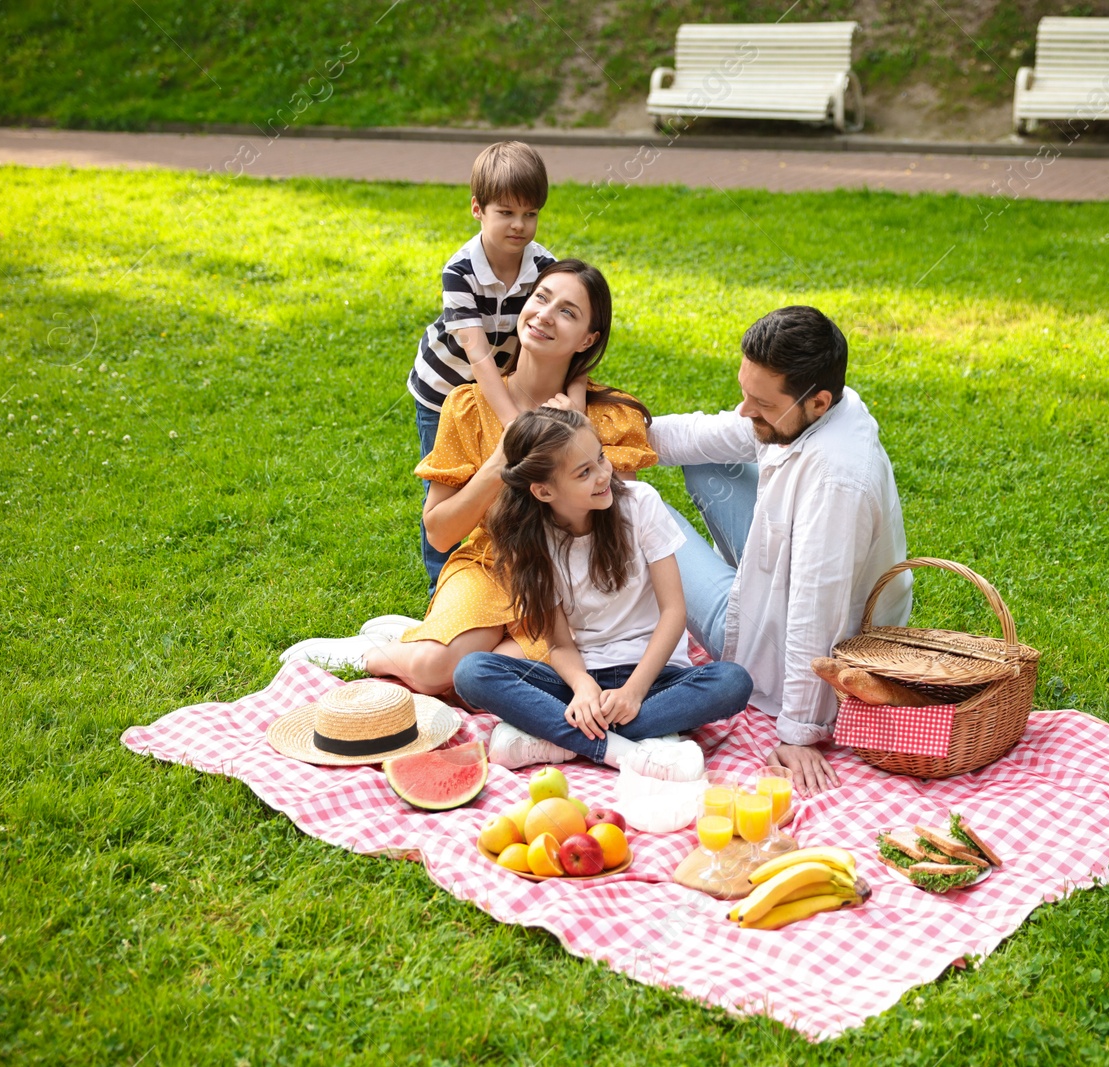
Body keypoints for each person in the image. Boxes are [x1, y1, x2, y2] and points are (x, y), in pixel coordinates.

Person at [282, 260, 652, 695]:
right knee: (436, 669)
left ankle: (425, 635)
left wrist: (577, 440)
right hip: (489, 566)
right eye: (541, 298)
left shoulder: (612, 416)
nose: (545, 316)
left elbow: (621, 521)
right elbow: (439, 534)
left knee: (483, 682)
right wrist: (499, 463)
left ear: (589, 338)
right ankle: (375, 652)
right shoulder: (468, 407)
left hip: (572, 585)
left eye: (568, 312)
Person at [646, 305, 911, 795]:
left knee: (640, 509)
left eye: (761, 403)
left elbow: (818, 610)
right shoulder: (826, 406)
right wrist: (605, 435)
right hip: (782, 575)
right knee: (708, 464)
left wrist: (799, 732)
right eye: (746, 393)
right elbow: (710, 434)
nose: (746, 411)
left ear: (816, 402)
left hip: (794, 637)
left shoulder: (837, 483)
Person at [452, 408, 753, 780]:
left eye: (600, 458)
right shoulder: (530, 542)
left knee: (732, 683)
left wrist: (633, 692)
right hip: (582, 682)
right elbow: (559, 644)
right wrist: (582, 688)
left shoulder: (640, 503)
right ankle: (618, 748)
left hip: (656, 679)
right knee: (472, 671)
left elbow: (675, 612)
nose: (603, 475)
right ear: (544, 491)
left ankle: (558, 740)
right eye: (584, 472)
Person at [408, 141, 587, 591]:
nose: (519, 225)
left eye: (530, 214)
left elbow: (571, 346)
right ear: (477, 209)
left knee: (506, 482)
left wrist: (576, 408)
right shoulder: (460, 272)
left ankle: (511, 576)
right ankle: (440, 588)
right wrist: (516, 423)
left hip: (502, 383)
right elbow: (478, 355)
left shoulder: (544, 267)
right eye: (506, 212)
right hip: (445, 391)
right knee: (451, 484)